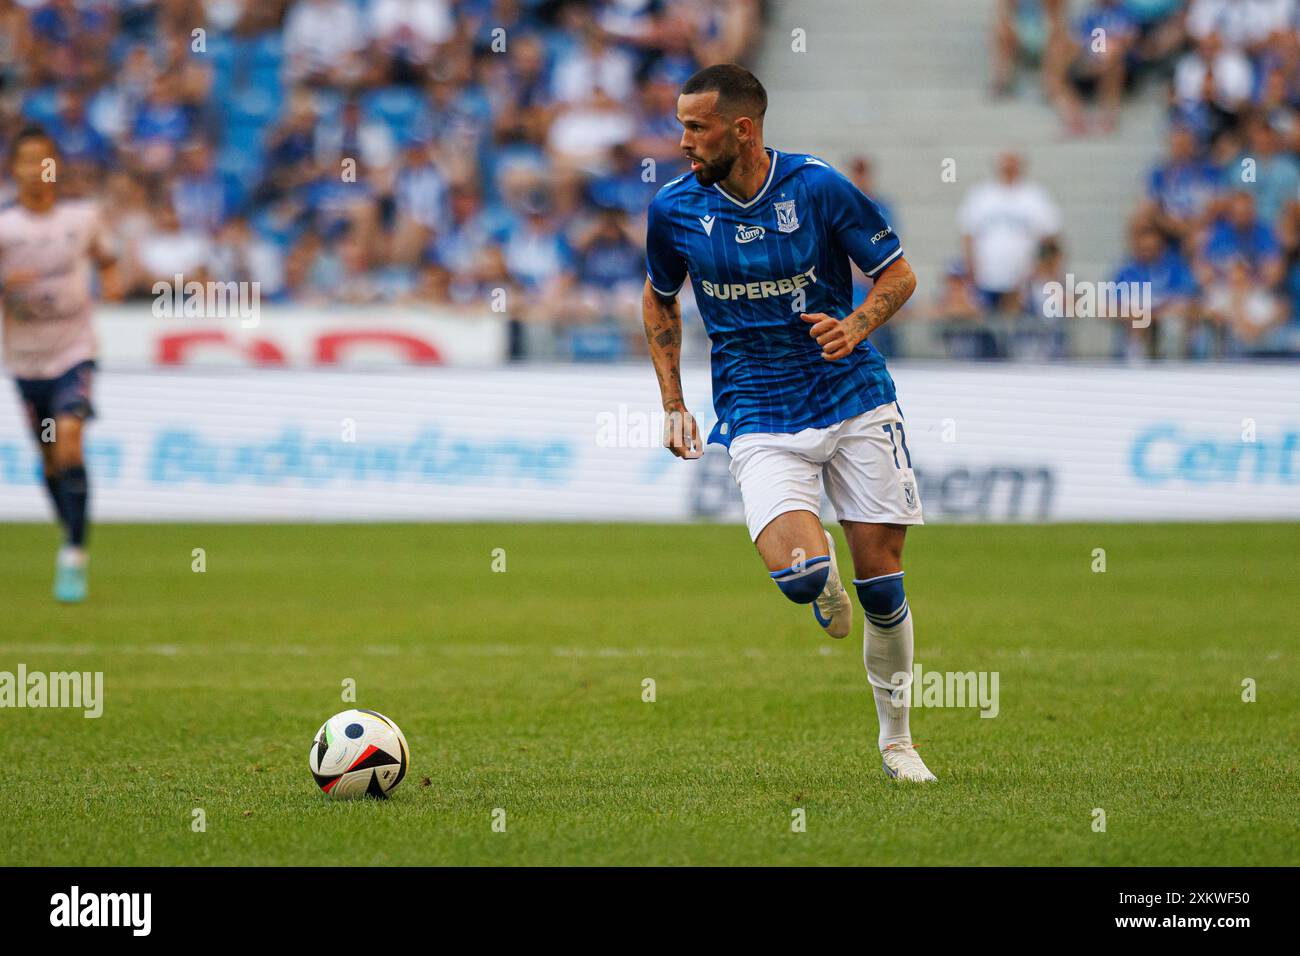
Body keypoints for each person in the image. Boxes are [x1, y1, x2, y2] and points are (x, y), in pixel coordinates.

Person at [641, 65, 935, 783]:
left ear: (742, 129)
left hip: (854, 397)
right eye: (680, 126)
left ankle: (897, 741)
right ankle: (821, 581)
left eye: (696, 127)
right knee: (803, 576)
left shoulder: (818, 188)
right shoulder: (675, 210)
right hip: (758, 411)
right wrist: (674, 405)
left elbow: (898, 275)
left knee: (885, 585)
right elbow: (658, 301)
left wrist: (858, 323)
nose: (683, 142)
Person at [0, 125, 118, 601]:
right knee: (50, 457)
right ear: (16, 169)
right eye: (28, 160)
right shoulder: (6, 229)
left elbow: (106, 259)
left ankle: (74, 552)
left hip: (75, 351)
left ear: (55, 166)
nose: (38, 169)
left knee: (70, 444)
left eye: (45, 160)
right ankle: (68, 529)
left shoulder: (83, 218)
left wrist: (111, 281)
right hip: (27, 360)